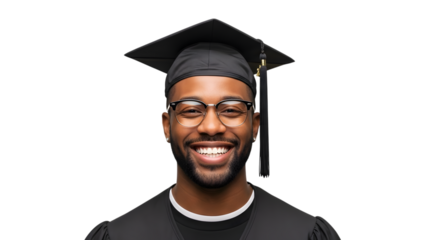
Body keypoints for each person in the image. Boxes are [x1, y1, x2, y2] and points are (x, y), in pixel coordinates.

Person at [85, 18, 341, 240]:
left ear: (255, 126)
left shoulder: (305, 235)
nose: (211, 126)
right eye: (191, 110)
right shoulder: (120, 236)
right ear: (165, 126)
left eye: (230, 109)